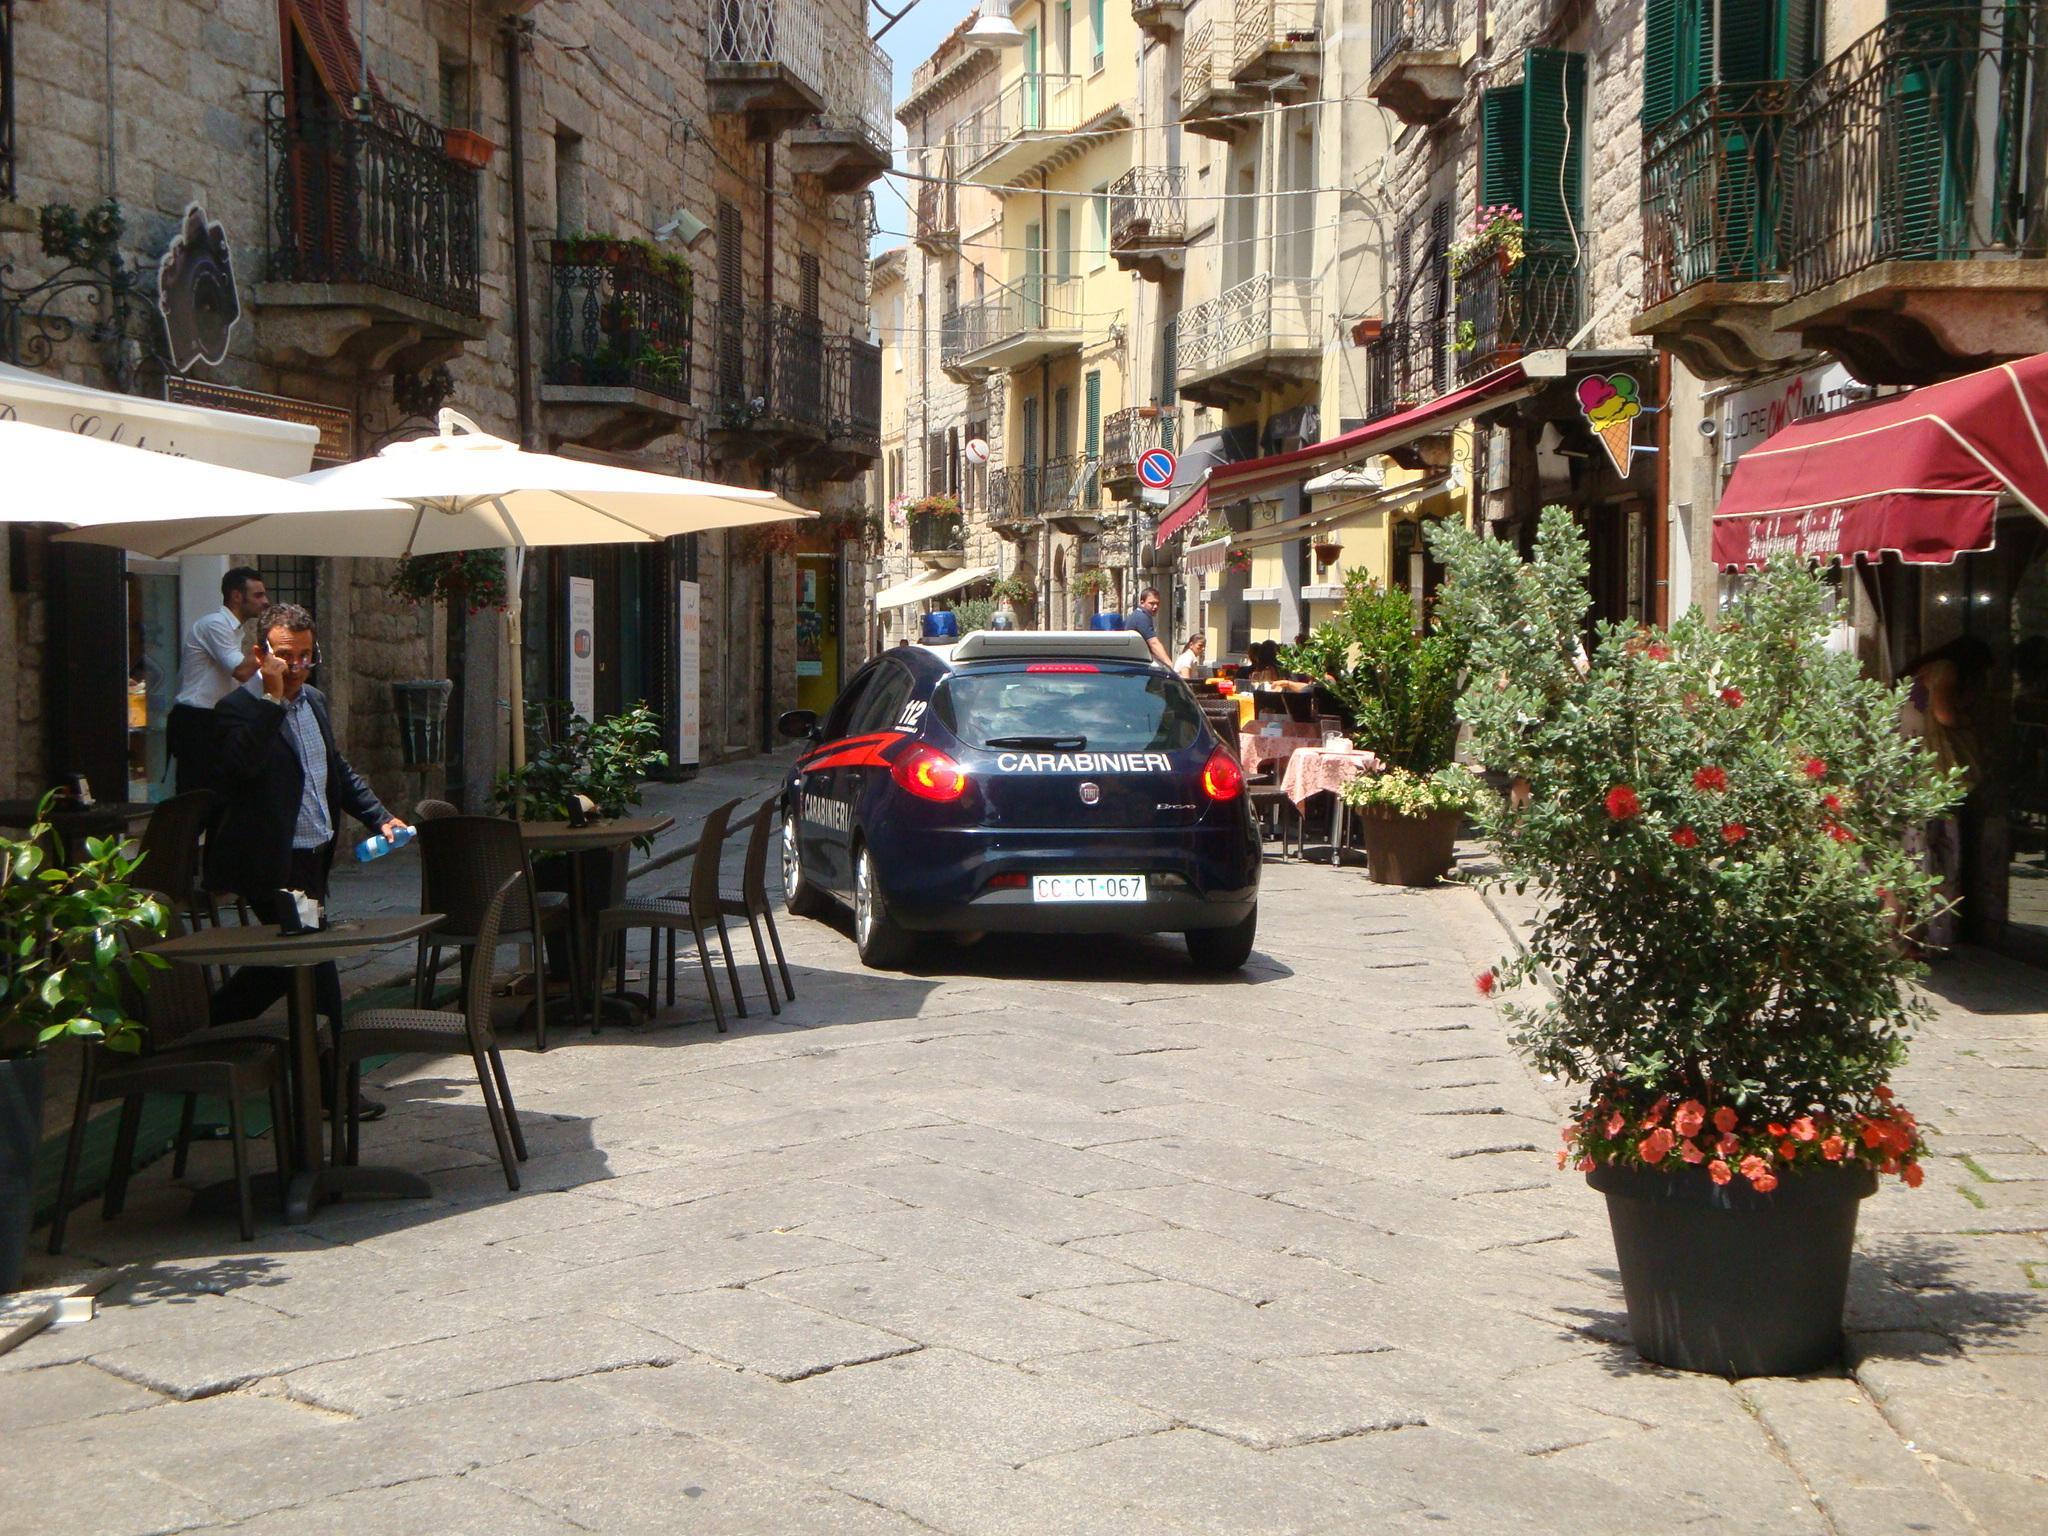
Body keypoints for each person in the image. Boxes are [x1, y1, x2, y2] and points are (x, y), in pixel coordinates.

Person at [208, 603, 410, 1119]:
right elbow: (238, 770)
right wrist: (273, 701)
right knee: (318, 972)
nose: (297, 667)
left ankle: (207, 1027)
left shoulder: (315, 701)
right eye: (285, 656)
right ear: (261, 654)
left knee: (286, 967)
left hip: (314, 859)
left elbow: (334, 767)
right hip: (271, 863)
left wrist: (379, 816)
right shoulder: (235, 710)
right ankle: (333, 1090)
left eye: (305, 656)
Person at [168, 566, 269, 794]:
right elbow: (241, 671)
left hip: (214, 718)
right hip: (197, 719)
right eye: (258, 595)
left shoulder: (234, 630)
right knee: (196, 794)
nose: (265, 601)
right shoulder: (215, 624)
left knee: (221, 791)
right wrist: (268, 642)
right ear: (236, 596)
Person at [1125, 587, 1174, 670]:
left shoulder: (1139, 615)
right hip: (1137, 665)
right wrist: (1170, 665)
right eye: (1151, 603)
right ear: (1142, 603)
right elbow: (1153, 643)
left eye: (1157, 603)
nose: (1155, 607)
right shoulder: (1141, 617)